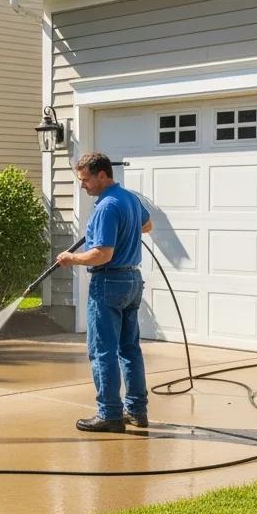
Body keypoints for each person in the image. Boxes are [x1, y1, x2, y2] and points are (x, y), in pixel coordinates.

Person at [55, 151, 153, 433]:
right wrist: (126, 231)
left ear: (102, 174)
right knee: (129, 349)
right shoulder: (129, 199)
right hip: (132, 281)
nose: (83, 185)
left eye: (86, 180)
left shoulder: (107, 206)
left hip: (109, 283)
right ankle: (137, 411)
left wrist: (70, 259)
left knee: (102, 352)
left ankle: (110, 414)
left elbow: (102, 254)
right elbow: (147, 224)